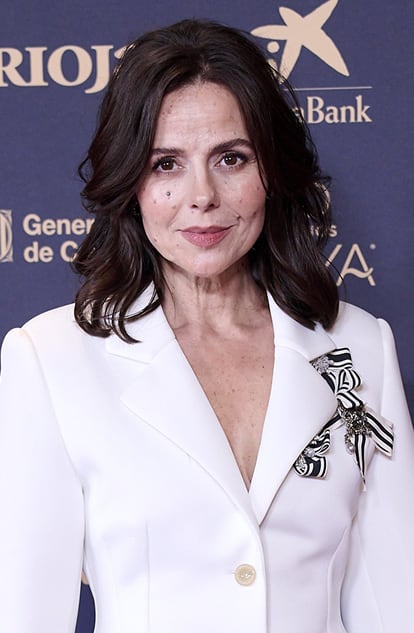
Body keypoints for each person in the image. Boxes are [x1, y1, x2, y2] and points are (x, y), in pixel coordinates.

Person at [0, 18, 413, 633]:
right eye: (166, 164)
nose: (202, 195)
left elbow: (396, 602)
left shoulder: (360, 346)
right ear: (131, 183)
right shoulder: (51, 358)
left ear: (270, 172)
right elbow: (25, 615)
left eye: (231, 158)